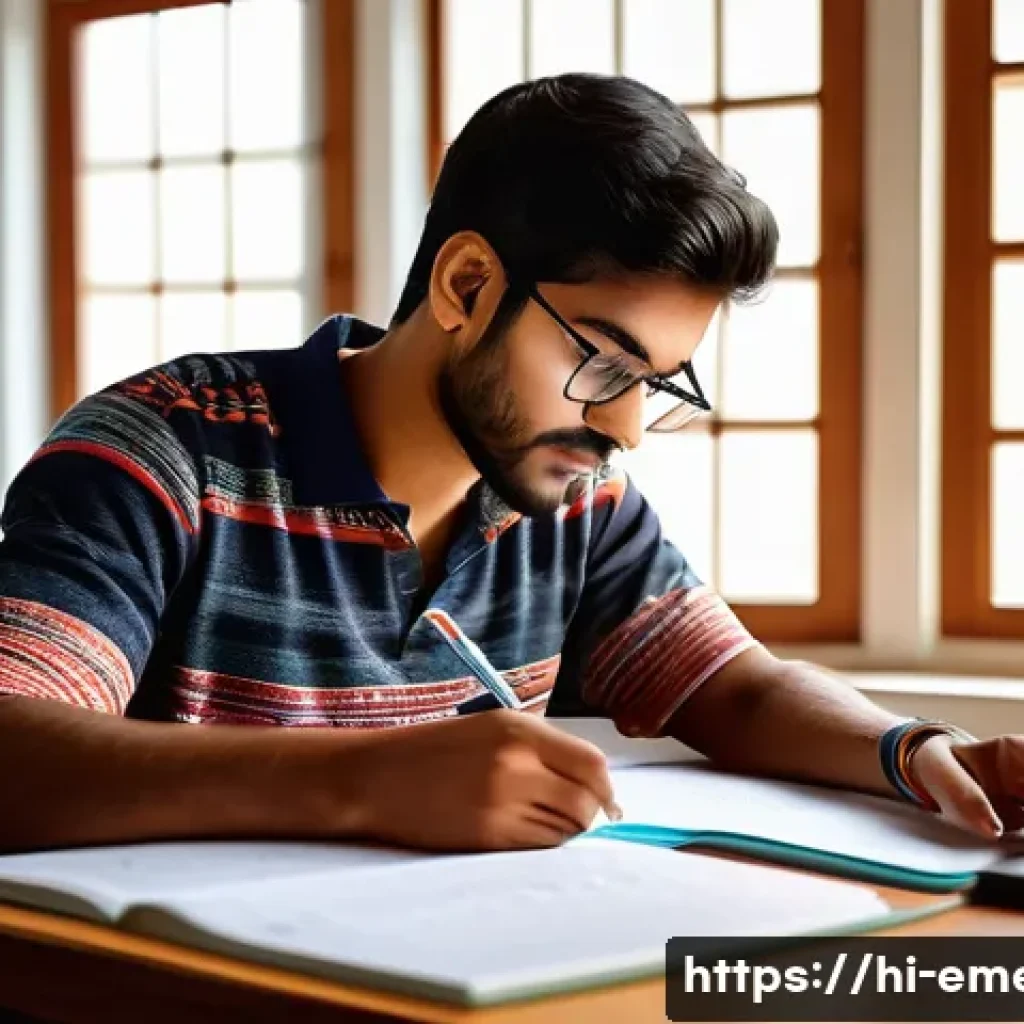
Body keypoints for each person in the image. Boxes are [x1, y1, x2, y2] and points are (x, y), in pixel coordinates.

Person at [0, 74, 1019, 856]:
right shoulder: (161, 452)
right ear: (467, 283)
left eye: (657, 382)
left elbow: (733, 690)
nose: (622, 425)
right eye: (599, 361)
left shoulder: (577, 498)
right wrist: (363, 783)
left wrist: (911, 750)